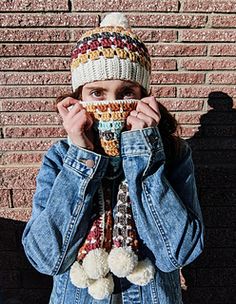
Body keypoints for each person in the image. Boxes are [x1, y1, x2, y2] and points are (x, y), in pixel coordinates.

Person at [22, 12, 204, 304]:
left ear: (144, 96)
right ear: (78, 98)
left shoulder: (174, 154)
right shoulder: (59, 158)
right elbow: (46, 259)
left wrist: (143, 152)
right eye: (97, 92)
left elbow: (177, 253)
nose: (112, 104)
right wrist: (81, 159)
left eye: (126, 92)